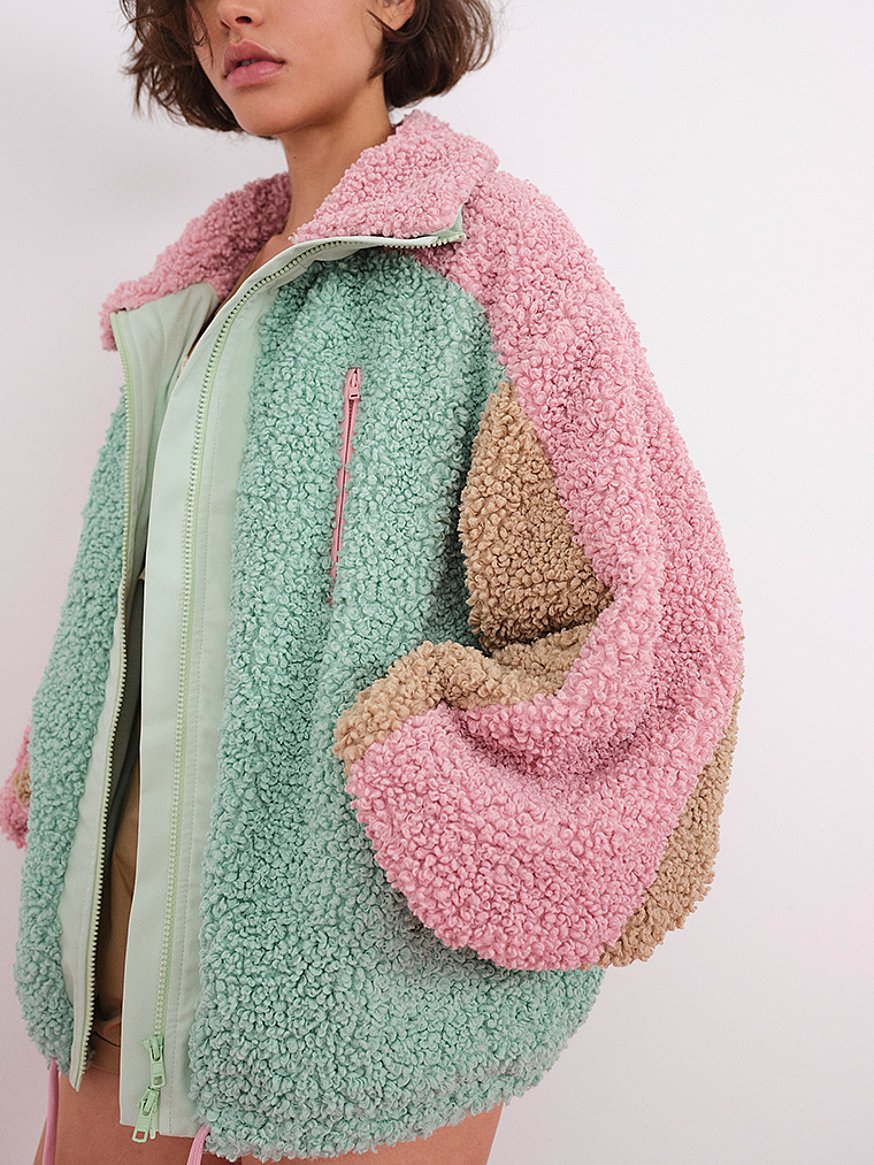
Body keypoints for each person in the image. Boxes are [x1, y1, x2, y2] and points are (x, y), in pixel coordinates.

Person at [2, 0, 746, 1162]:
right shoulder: (193, 288)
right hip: (115, 914)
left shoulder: (497, 259)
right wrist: (63, 747)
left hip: (355, 952)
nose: (231, 12)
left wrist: (423, 776)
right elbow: (132, 587)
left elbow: (641, 609)